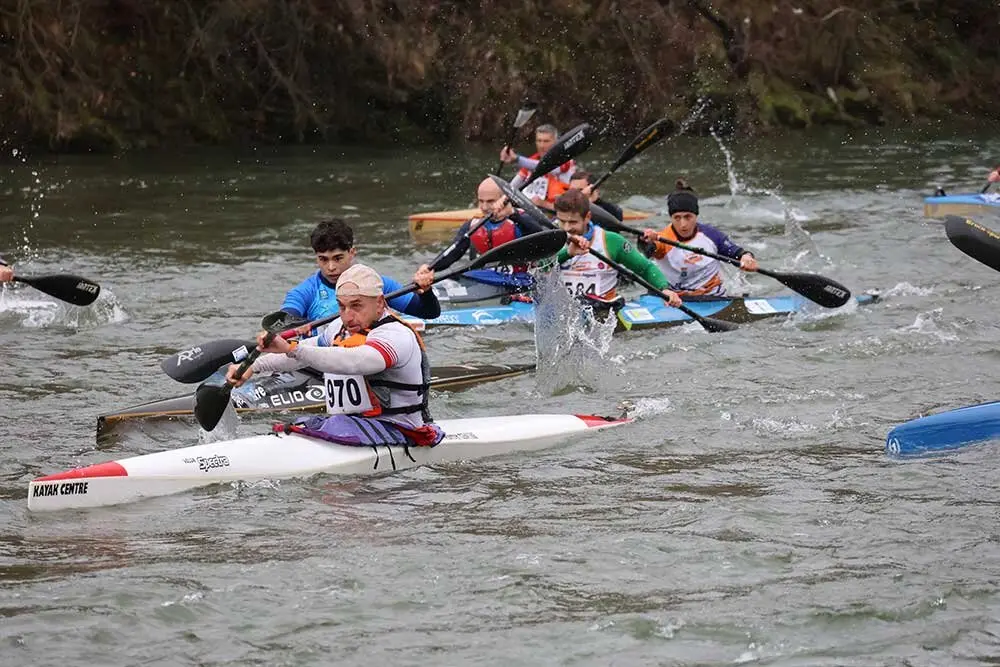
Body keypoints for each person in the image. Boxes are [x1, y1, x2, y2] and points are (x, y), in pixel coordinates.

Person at [228, 264, 445, 447]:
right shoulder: (339, 328)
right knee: (298, 424)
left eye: (356, 306)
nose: (348, 316)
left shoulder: (395, 335)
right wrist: (253, 367)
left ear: (379, 303)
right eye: (342, 307)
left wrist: (293, 348)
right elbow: (301, 354)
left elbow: (353, 362)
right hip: (353, 425)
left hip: (401, 430)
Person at [281, 219, 439, 322]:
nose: (331, 268)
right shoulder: (305, 292)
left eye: (337, 258)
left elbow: (429, 313)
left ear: (352, 253)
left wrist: (426, 292)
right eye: (323, 259)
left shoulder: (378, 284)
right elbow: (285, 318)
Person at [553, 189, 682, 306]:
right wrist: (568, 253)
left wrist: (665, 289)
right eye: (562, 221)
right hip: (561, 308)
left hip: (602, 310)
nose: (566, 228)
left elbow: (645, 268)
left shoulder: (611, 241)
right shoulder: (550, 237)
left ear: (587, 217)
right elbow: (539, 268)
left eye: (573, 222)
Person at [640, 180, 758, 297]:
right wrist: (645, 240)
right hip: (674, 299)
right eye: (677, 218)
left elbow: (736, 253)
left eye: (688, 217)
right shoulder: (662, 238)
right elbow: (646, 249)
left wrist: (746, 257)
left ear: (696, 216)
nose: (683, 224)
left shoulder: (711, 235)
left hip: (712, 297)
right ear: (671, 217)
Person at [420, 177, 545, 276]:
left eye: (490, 201)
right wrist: (431, 267)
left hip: (522, 280)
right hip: (489, 279)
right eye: (481, 201)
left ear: (504, 199)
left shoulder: (522, 219)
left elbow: (543, 241)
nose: (484, 207)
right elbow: (453, 253)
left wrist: (512, 214)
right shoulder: (472, 225)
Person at [500, 124, 575, 206]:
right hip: (531, 207)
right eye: (539, 141)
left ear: (556, 142)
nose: (542, 146)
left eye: (546, 141)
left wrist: (517, 159)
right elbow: (513, 186)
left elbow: (547, 167)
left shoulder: (565, 159)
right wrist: (501, 200)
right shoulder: (532, 161)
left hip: (557, 208)